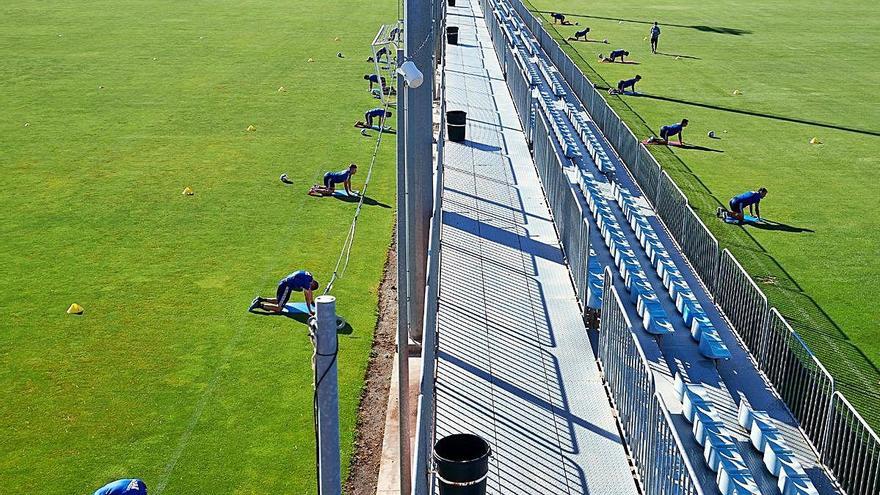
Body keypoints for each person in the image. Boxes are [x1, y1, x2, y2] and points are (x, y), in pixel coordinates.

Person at [250, 270, 319, 315]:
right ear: (311, 285)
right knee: (279, 308)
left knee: (280, 301)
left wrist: (312, 301)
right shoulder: (306, 283)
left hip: (286, 284)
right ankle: (258, 305)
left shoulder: (309, 276)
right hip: (286, 287)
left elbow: (309, 291)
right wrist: (310, 311)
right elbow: (307, 297)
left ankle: (261, 299)